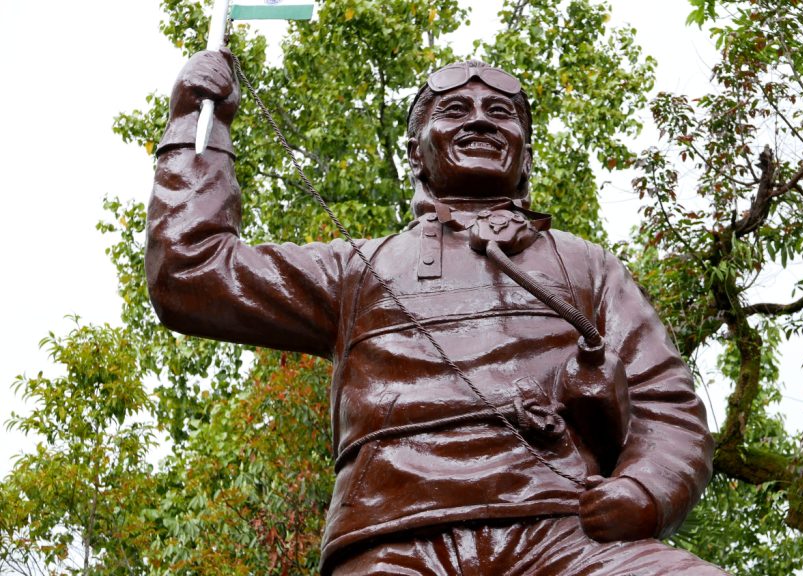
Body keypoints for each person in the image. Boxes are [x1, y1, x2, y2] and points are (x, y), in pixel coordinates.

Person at [147, 49, 726, 575]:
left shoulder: (587, 266)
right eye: (454, 110)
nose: (480, 120)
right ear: (415, 152)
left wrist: (646, 490)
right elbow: (193, 273)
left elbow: (665, 405)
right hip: (393, 540)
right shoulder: (356, 268)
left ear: (526, 154)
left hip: (562, 533)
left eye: (500, 112)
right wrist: (195, 128)